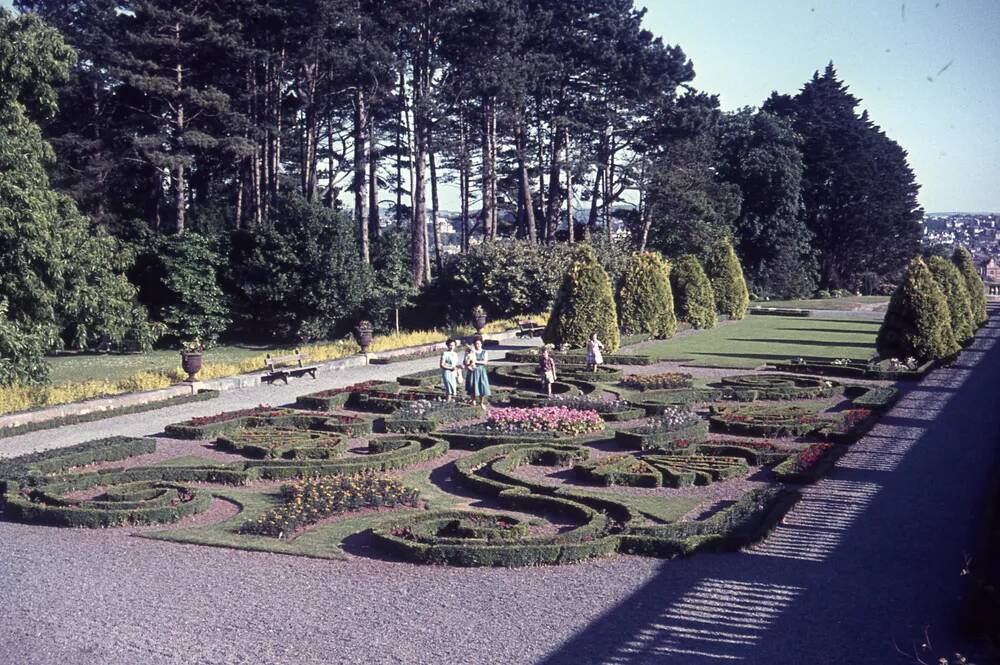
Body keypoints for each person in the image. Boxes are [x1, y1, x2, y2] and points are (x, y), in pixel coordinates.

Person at [466, 338, 492, 408]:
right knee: (472, 386)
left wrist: (475, 361)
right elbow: (466, 361)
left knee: (482, 386)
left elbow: (485, 362)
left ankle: (481, 402)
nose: (478, 345)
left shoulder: (484, 352)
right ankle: (473, 400)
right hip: (473, 370)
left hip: (481, 371)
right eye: (476, 344)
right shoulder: (471, 352)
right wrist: (469, 363)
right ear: (474, 345)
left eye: (479, 343)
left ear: (481, 344)